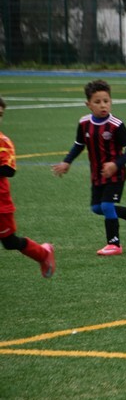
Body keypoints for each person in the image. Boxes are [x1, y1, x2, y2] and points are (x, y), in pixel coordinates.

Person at [52, 80, 126, 256]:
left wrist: (115, 164)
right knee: (97, 208)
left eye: (106, 101)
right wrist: (67, 162)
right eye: (97, 102)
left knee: (107, 205)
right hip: (97, 174)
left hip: (115, 174)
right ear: (88, 104)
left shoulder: (116, 125)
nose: (103, 105)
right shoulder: (84, 123)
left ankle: (114, 244)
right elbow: (79, 145)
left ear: (111, 101)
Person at [0, 97, 56, 277]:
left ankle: (43, 253)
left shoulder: (3, 141)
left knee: (9, 242)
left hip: (1, 204)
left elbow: (9, 170)